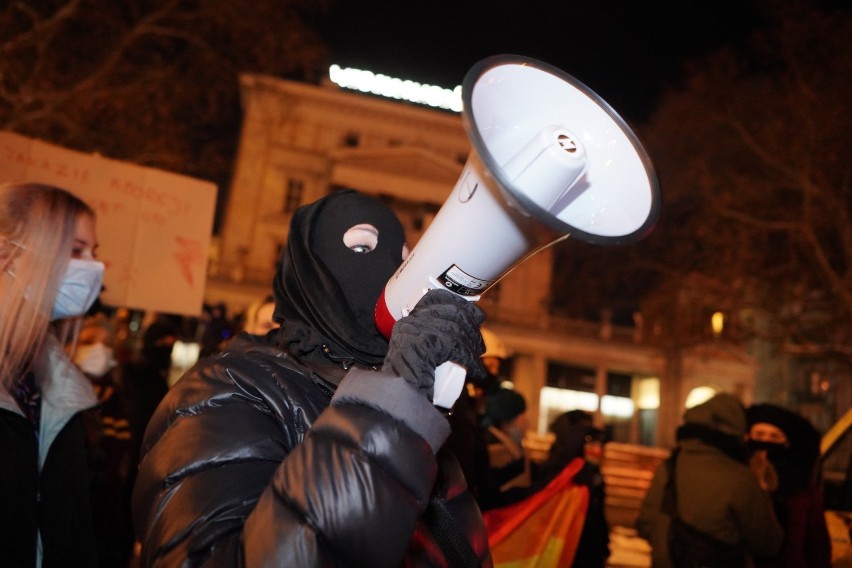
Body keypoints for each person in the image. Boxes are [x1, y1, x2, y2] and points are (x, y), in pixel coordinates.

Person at [132, 189, 493, 566]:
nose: (390, 270)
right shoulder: (226, 390)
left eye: (404, 259)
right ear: (309, 272)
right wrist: (396, 403)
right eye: (361, 248)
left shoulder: (415, 388)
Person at [0, 182, 104, 568]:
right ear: (7, 253)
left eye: (94, 252)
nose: (94, 267)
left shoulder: (53, 382)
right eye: (76, 251)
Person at [637, 393, 784, 568]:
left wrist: (669, 545)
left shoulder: (670, 466)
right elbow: (767, 543)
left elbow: (645, 524)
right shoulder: (741, 478)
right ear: (737, 429)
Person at [74, 313, 136, 568]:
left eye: (106, 343)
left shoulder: (118, 403)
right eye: (89, 341)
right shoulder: (62, 394)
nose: (98, 349)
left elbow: (121, 462)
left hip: (102, 520)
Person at [746, 403, 832, 568]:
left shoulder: (802, 487)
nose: (766, 442)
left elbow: (817, 542)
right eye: (759, 434)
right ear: (748, 436)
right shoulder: (738, 476)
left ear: (787, 443)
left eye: (775, 437)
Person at [535, 410, 610, 567]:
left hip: (587, 552)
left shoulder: (590, 473)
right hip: (567, 553)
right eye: (588, 439)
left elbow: (597, 517)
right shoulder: (561, 473)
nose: (596, 448)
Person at [479, 387, 532, 510]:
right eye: (521, 415)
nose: (525, 420)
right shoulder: (494, 445)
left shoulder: (505, 441)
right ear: (506, 419)